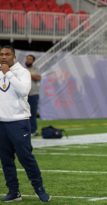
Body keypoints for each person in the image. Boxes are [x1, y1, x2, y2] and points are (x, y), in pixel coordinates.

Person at [0, 45, 51, 202]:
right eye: (1, 54)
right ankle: (14, 192)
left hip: (19, 122)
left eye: (7, 54)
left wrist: (8, 73)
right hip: (2, 123)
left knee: (26, 158)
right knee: (6, 160)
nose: (3, 57)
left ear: (14, 56)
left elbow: (23, 91)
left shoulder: (23, 73)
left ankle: (39, 189)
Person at [25, 54, 41, 137]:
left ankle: (34, 130)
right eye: (27, 59)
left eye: (30, 59)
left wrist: (29, 74)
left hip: (33, 94)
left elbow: (38, 78)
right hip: (24, 94)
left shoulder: (36, 69)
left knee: (33, 113)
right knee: (24, 114)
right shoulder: (22, 69)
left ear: (33, 61)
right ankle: (26, 130)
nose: (28, 60)